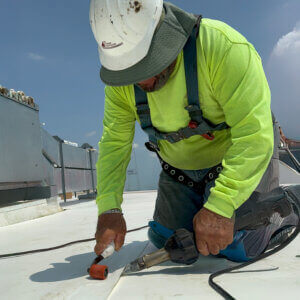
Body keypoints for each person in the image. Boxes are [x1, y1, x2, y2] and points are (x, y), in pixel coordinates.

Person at [90, 0, 297, 262]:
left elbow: (254, 134)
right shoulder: (120, 82)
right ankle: (202, 202)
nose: (142, 81)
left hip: (237, 160)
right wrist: (109, 207)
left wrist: (221, 204)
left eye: (147, 65)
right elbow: (114, 144)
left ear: (165, 35)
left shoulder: (223, 48)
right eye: (130, 73)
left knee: (234, 245)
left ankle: (288, 204)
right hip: (180, 173)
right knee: (168, 241)